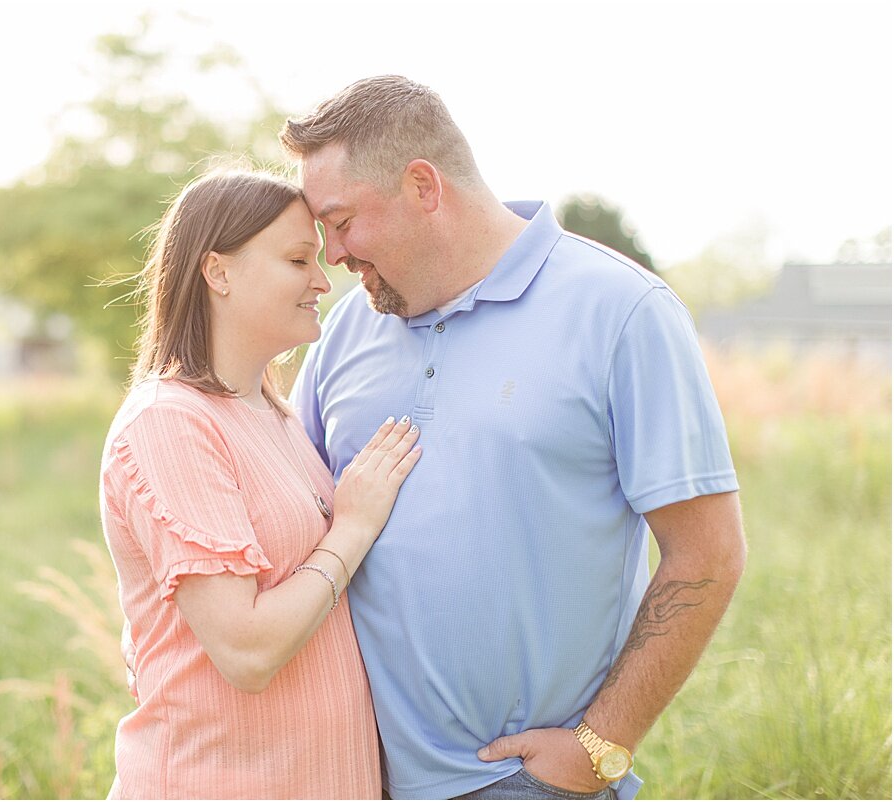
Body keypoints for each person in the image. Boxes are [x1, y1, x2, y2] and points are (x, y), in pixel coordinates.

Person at [280, 76, 747, 801]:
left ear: (424, 187)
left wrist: (602, 744)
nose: (332, 255)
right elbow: (287, 513)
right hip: (347, 777)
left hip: (525, 784)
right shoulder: (344, 330)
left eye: (340, 222)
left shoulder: (622, 311)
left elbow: (708, 552)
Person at [98, 168, 423, 799]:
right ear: (218, 272)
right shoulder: (170, 422)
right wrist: (352, 528)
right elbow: (247, 654)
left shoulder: (273, 413)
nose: (324, 281)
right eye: (298, 259)